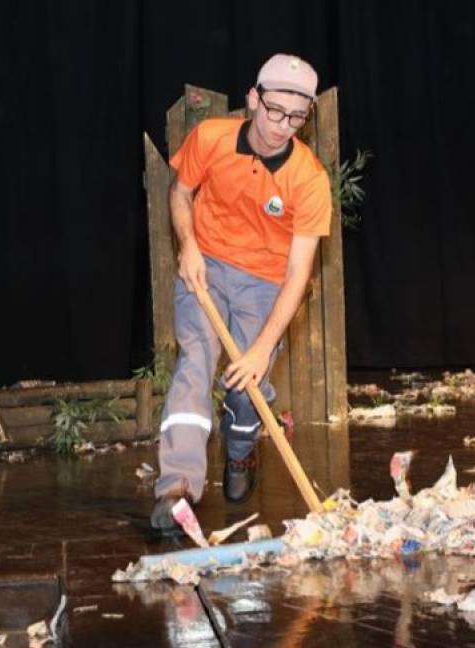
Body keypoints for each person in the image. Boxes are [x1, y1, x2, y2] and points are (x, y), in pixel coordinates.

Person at [150, 54, 331, 533]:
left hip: (266, 285)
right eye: (274, 111)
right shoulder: (210, 138)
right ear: (254, 99)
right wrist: (188, 247)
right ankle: (177, 490)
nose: (283, 126)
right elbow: (180, 190)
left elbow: (298, 275)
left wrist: (262, 348)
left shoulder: (309, 180)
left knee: (247, 386)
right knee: (195, 364)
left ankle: (241, 451)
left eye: (297, 117)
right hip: (206, 266)